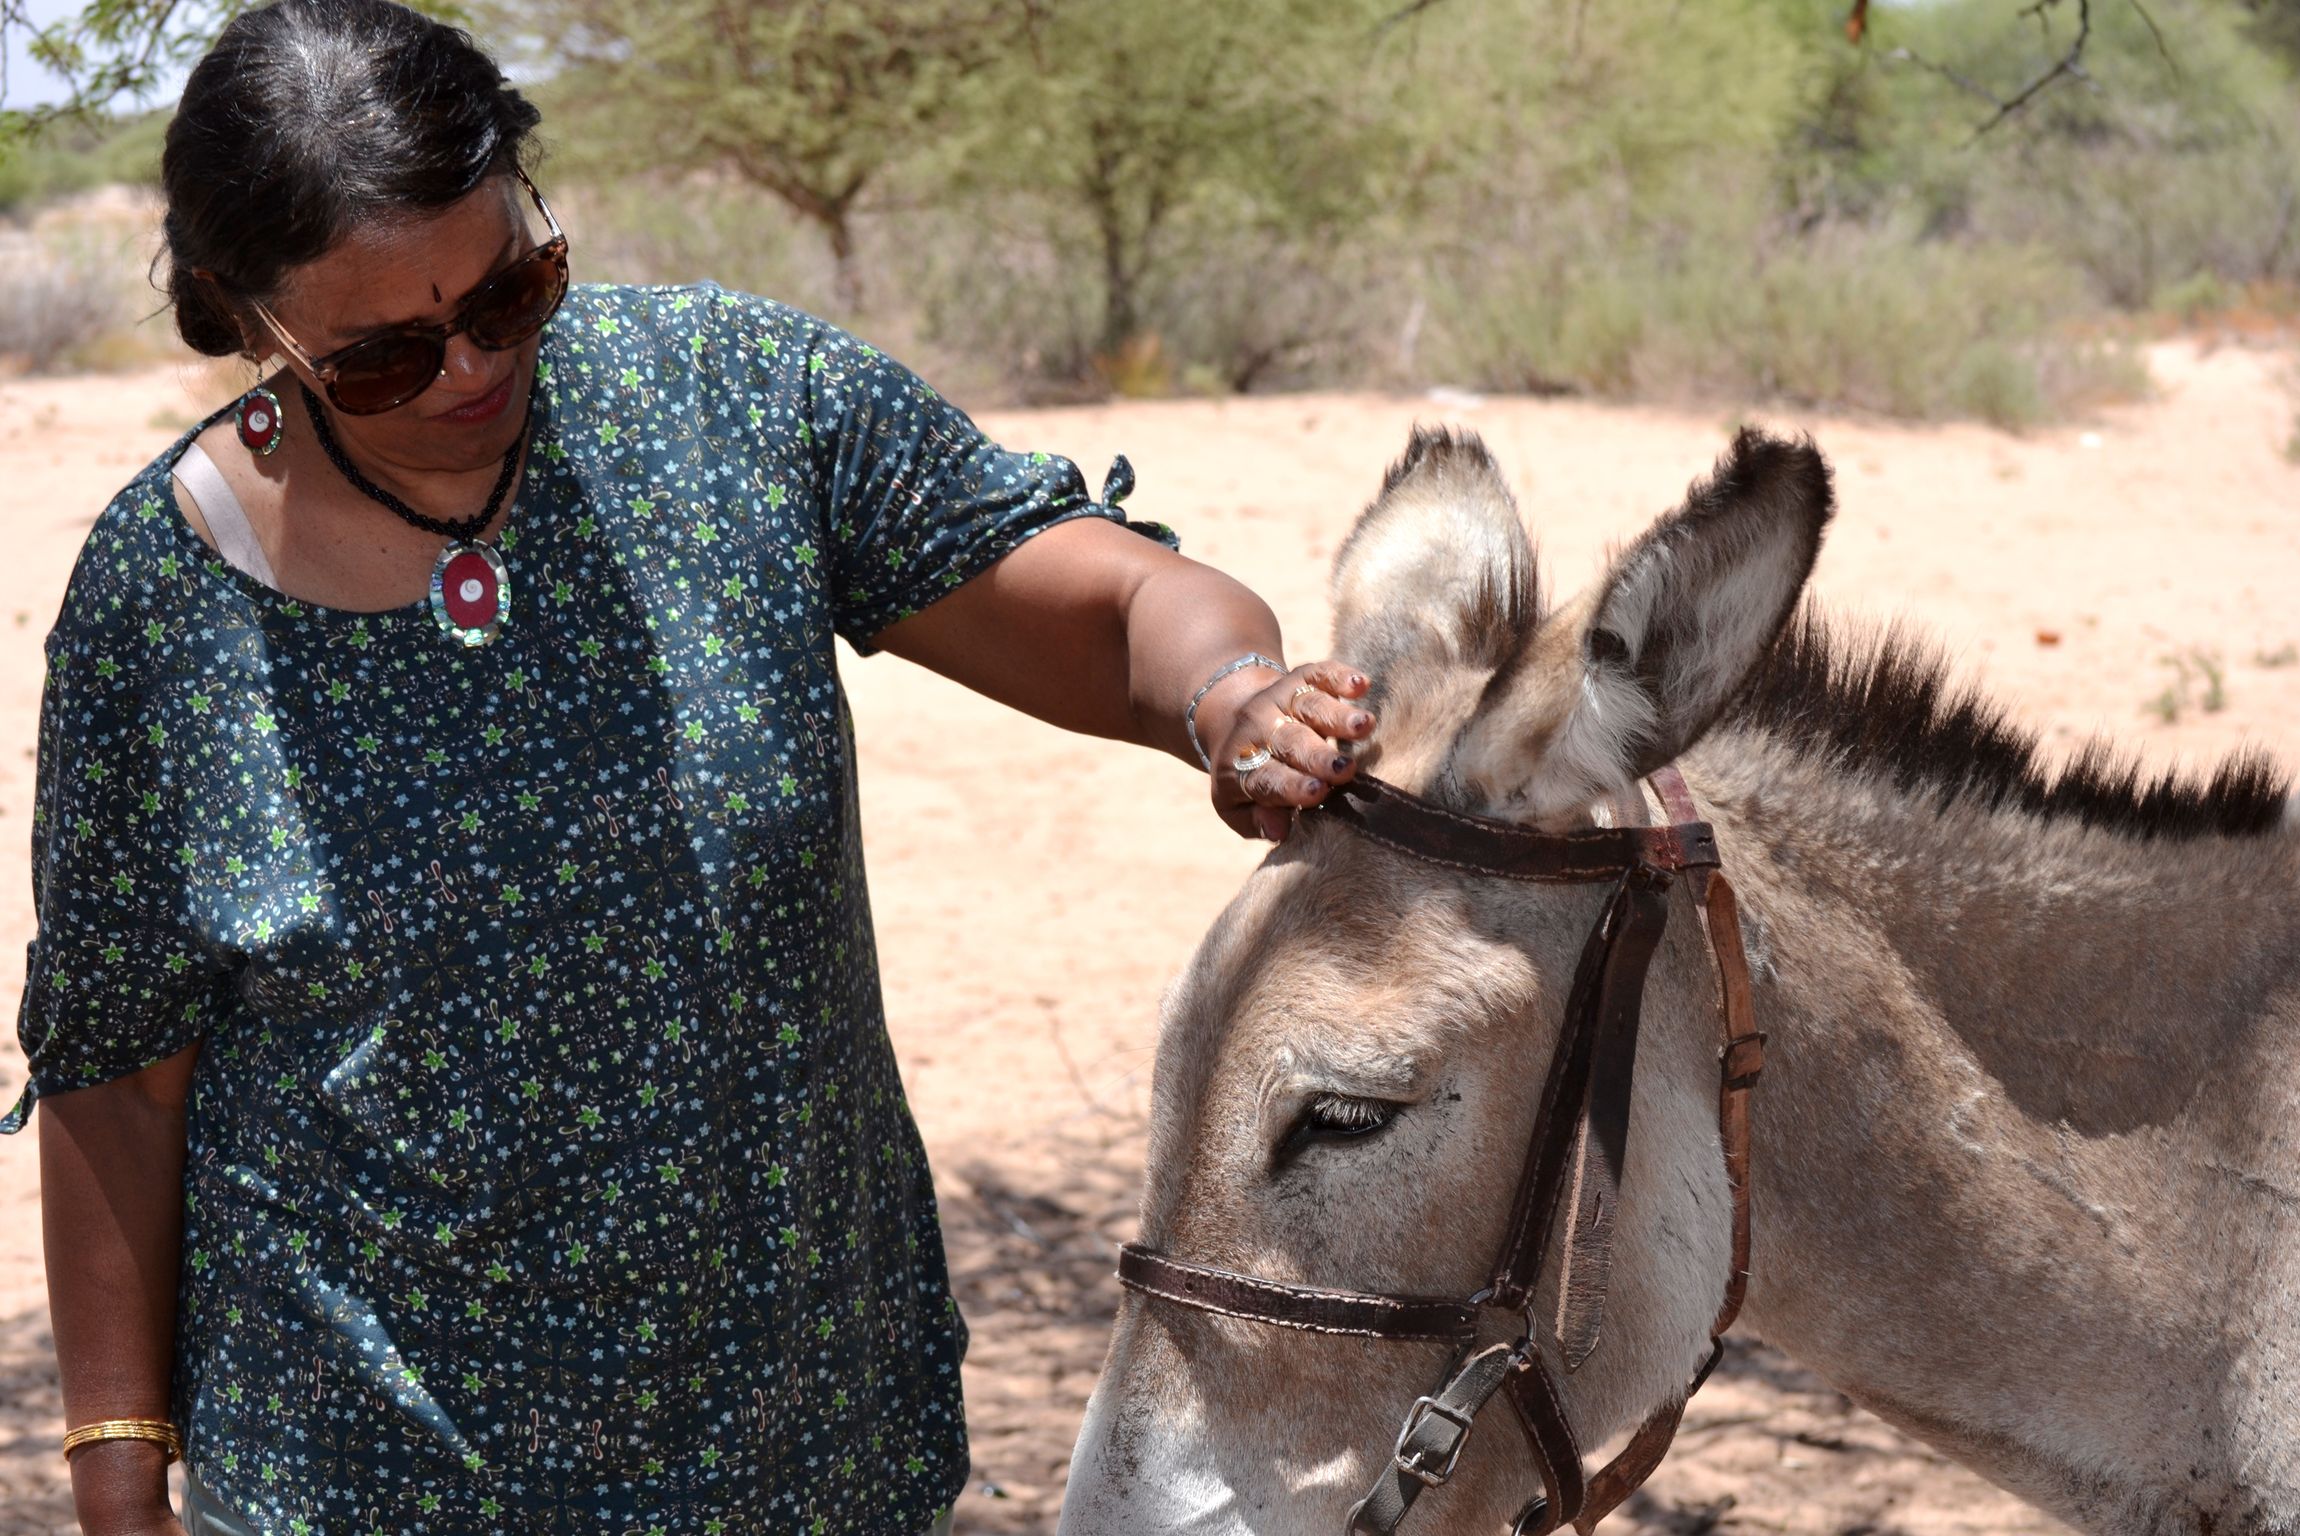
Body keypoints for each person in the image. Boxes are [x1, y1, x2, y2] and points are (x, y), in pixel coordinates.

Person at [6, 2, 1378, 1532]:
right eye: (384, 357)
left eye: (513, 293)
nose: (468, 366)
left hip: (805, 1450)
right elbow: (120, 1075)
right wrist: (117, 1466)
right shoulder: (160, 604)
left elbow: (1109, 599)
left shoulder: (733, 407)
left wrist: (1234, 694)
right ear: (250, 323)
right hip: (367, 1474)